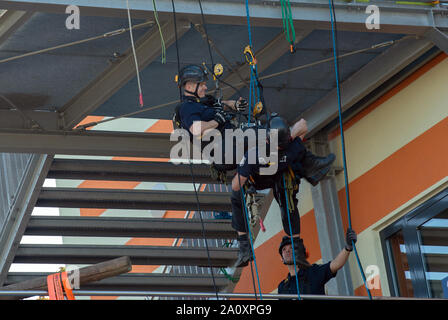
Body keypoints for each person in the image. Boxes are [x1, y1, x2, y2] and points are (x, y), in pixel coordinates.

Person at [231, 116, 335, 268]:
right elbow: (303, 124)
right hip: (278, 174)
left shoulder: (253, 155)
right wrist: (290, 136)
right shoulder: (292, 148)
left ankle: (244, 246)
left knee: (236, 196)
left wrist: (242, 167)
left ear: (267, 140)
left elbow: (235, 185)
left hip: (259, 179)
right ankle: (297, 249)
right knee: (288, 202)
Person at [277, 228, 357, 296]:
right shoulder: (282, 287)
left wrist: (348, 247)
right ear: (282, 259)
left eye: (291, 248)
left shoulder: (312, 272)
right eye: (284, 249)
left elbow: (336, 264)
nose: (287, 251)